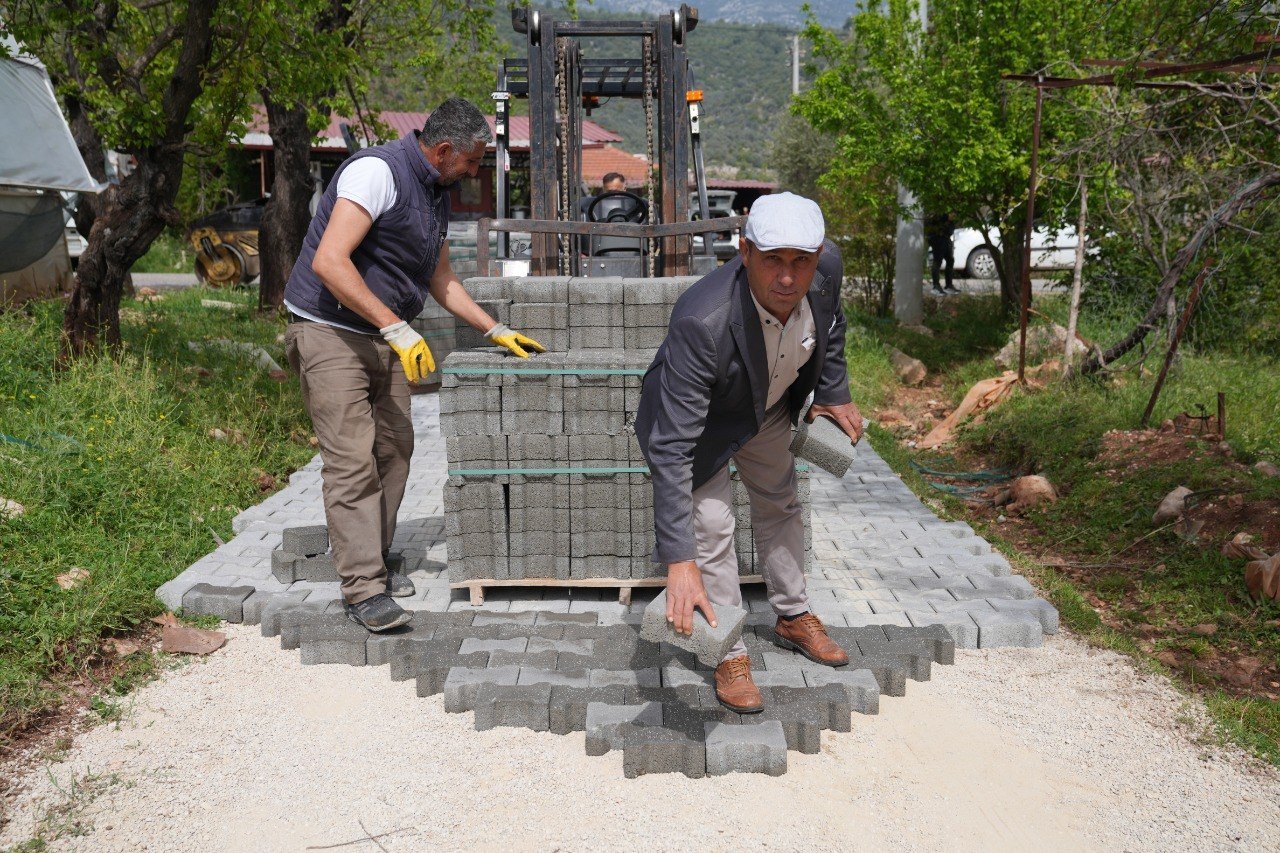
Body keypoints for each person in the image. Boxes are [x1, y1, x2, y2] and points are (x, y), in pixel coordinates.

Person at [282, 97, 545, 632]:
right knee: (352, 459)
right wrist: (398, 327)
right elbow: (329, 262)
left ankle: (374, 557)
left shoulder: (436, 193)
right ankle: (362, 589)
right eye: (471, 162)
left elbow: (440, 277)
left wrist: (493, 328)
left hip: (381, 334)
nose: (474, 172)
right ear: (445, 150)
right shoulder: (377, 172)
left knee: (395, 448)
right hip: (329, 329)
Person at [634, 192, 863, 713]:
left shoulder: (825, 269)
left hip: (767, 401)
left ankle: (792, 613)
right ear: (744, 252)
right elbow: (672, 448)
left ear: (818, 253)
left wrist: (832, 390)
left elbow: (833, 325)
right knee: (711, 528)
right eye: (773, 261)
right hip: (701, 423)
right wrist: (678, 560)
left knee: (780, 498)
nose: (788, 278)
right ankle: (728, 652)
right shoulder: (702, 319)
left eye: (800, 262)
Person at [925, 211, 958, 295]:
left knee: (950, 260)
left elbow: (950, 231)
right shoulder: (939, 217)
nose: (954, 216)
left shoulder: (950, 222)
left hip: (946, 240)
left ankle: (948, 285)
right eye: (952, 214)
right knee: (937, 261)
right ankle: (936, 286)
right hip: (938, 240)